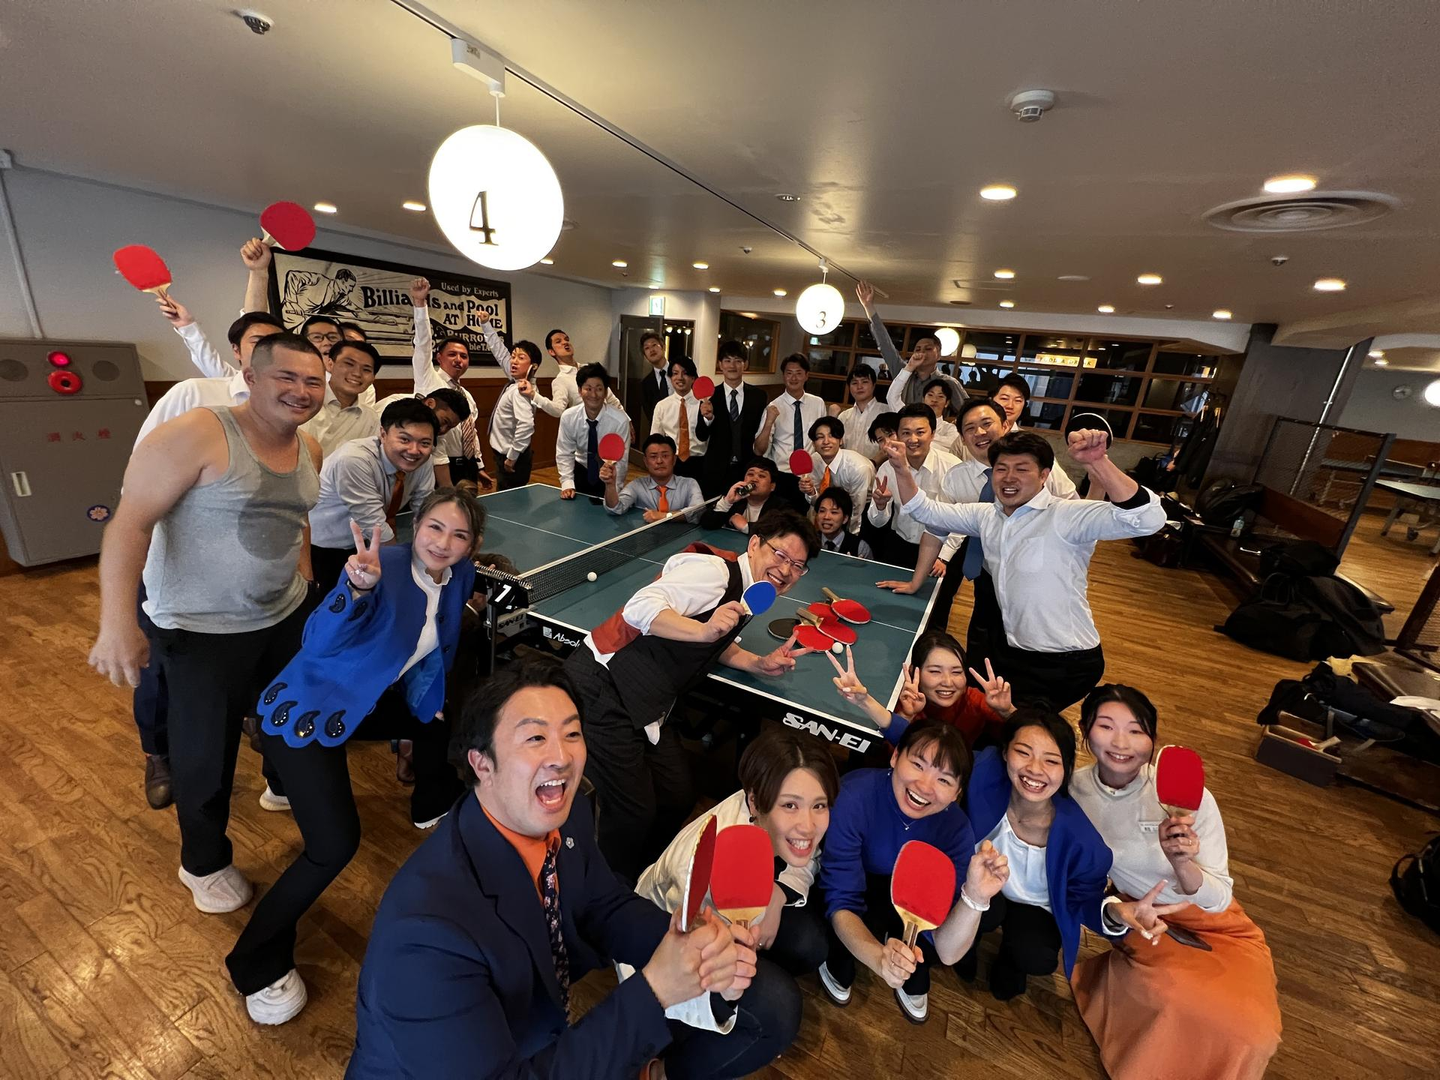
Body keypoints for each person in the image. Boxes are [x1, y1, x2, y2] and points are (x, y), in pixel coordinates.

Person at [348, 660, 797, 1080]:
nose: (561, 756)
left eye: (572, 733)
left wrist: (688, 940)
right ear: (481, 763)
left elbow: (602, 903)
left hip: (537, 1033)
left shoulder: (566, 814)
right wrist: (656, 989)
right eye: (535, 738)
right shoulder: (426, 938)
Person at [88, 333, 325, 917]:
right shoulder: (196, 433)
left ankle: (280, 785)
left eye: (312, 381)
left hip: (282, 615)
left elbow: (296, 520)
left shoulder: (310, 447)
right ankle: (203, 862)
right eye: (287, 377)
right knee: (205, 757)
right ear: (251, 376)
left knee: (288, 720)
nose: (301, 391)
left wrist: (305, 579)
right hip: (200, 629)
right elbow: (129, 524)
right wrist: (117, 623)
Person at [231, 490, 481, 1024]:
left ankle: (427, 803)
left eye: (459, 535)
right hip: (306, 711)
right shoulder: (380, 567)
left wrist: (427, 699)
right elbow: (316, 640)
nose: (444, 543)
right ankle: (254, 961)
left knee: (437, 719)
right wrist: (355, 588)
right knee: (334, 846)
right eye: (435, 528)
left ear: (471, 545)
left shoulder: (459, 575)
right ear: (417, 525)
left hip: (360, 701)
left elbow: (439, 644)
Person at [566, 508, 821, 880]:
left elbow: (718, 637)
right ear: (754, 544)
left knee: (678, 796)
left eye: (797, 565)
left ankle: (644, 873)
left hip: (651, 701)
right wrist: (703, 632)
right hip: (605, 684)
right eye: (780, 554)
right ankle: (603, 888)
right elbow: (640, 608)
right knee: (632, 813)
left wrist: (757, 663)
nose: (786, 569)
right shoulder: (714, 573)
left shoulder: (752, 591)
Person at [1070, 685, 1282, 1080]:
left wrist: (1183, 863)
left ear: (1153, 740)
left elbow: (1219, 899)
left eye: (1136, 731)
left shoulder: (1190, 797)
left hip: (1219, 925)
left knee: (1256, 1035)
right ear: (1084, 730)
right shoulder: (1074, 791)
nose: (1121, 743)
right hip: (1142, 916)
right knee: (1173, 999)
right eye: (1106, 726)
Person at [887, 428, 1165, 709]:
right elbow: (925, 510)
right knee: (996, 717)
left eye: (1022, 469)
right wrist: (901, 468)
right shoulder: (987, 515)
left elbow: (1148, 519)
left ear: (1044, 475)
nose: (1009, 477)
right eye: (1001, 469)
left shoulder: (1067, 515)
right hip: (1013, 648)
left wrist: (1097, 461)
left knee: (1020, 724)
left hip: (1064, 660)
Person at [131, 302, 284, 808]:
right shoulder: (194, 394)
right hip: (178, 574)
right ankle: (158, 753)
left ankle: (245, 719)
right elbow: (140, 477)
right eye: (256, 343)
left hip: (247, 579)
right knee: (163, 669)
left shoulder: (284, 412)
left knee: (243, 660)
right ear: (237, 352)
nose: (267, 354)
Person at [816, 720, 1009, 1023]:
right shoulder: (854, 796)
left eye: (944, 780)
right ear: (895, 757)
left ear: (957, 792)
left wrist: (975, 897)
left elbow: (948, 951)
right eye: (918, 765)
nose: (925, 786)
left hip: (915, 896)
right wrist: (878, 958)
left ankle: (907, 956)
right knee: (841, 955)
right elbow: (841, 899)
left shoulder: (957, 831)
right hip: (863, 880)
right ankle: (841, 958)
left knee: (923, 959)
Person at [634, 726, 840, 978]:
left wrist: (778, 893)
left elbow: (809, 856)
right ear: (754, 801)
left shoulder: (778, 818)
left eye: (819, 805)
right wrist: (730, 953)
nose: (807, 826)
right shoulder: (700, 864)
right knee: (779, 997)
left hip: (738, 916)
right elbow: (679, 942)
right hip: (668, 938)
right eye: (790, 805)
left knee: (810, 944)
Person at [878, 398, 1078, 641]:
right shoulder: (957, 478)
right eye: (970, 428)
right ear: (962, 438)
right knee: (982, 636)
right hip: (987, 571)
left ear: (1005, 425)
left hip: (1038, 576)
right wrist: (915, 582)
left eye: (986, 424)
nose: (980, 433)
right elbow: (935, 526)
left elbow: (1076, 517)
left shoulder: (1040, 467)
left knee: (1031, 639)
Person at [954, 708, 1112, 999]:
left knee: (1036, 957)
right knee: (979, 914)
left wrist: (1115, 913)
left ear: (1066, 768)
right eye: (1023, 752)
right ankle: (968, 945)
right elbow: (940, 757)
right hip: (984, 887)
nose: (1035, 769)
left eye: (1051, 760)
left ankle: (1011, 961)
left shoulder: (1085, 843)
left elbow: (1085, 902)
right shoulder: (985, 772)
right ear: (1005, 753)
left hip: (1036, 907)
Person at [307, 398, 439, 589]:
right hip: (327, 545)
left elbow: (425, 509)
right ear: (383, 434)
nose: (414, 450)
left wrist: (436, 553)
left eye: (425, 443)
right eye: (404, 439)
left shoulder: (423, 460)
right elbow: (375, 525)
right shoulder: (354, 460)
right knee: (338, 600)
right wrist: (408, 572)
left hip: (368, 542)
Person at [829, 631, 1015, 752]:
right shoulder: (901, 704)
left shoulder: (975, 700)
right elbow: (885, 758)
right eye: (935, 671)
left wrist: (1007, 711)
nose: (948, 682)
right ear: (913, 672)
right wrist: (906, 716)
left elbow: (1026, 734)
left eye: (957, 672)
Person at [408, 277, 490, 487]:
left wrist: (479, 466)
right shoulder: (428, 379)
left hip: (468, 465)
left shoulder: (466, 396)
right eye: (452, 354)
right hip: (437, 463)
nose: (458, 360)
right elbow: (423, 343)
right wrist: (420, 304)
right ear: (439, 357)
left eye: (464, 356)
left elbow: (472, 432)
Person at [865, 402, 960, 571]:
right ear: (899, 435)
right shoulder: (887, 469)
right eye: (906, 433)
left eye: (920, 432)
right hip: (900, 544)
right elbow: (878, 523)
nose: (913, 439)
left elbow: (961, 518)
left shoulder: (952, 467)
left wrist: (943, 556)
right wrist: (880, 506)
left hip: (941, 551)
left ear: (932, 434)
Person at [855, 281, 966, 411]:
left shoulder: (948, 382)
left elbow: (967, 411)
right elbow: (885, 345)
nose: (922, 352)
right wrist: (868, 306)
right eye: (918, 349)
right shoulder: (903, 372)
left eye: (928, 348)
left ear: (939, 354)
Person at [696, 339, 766, 497]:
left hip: (747, 470)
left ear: (745, 364)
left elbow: (760, 433)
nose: (732, 365)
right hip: (716, 471)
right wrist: (708, 418)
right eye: (727, 360)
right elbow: (701, 435)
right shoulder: (709, 396)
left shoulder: (758, 396)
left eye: (737, 361)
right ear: (720, 365)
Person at [753, 354, 827, 498]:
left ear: (806, 376)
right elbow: (759, 450)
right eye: (789, 373)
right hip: (782, 474)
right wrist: (769, 422)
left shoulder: (818, 403)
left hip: (810, 474)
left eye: (798, 373)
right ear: (783, 376)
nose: (793, 378)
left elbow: (822, 439)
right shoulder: (773, 406)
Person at [556, 363, 631, 500]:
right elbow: (564, 452)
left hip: (609, 473)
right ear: (580, 391)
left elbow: (622, 461)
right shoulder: (568, 417)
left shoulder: (620, 421)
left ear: (606, 392)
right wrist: (567, 483)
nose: (594, 394)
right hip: (580, 469)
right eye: (588, 389)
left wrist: (614, 490)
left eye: (599, 389)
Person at [299, 339, 381, 457]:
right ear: (330, 364)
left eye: (366, 370)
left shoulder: (371, 419)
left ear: (373, 378)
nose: (357, 373)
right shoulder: (304, 401)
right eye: (349, 364)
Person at [798, 416, 874, 533]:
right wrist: (811, 492)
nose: (826, 441)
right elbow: (817, 503)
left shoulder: (858, 468)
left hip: (866, 512)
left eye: (832, 436)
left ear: (841, 440)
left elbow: (857, 509)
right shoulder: (814, 461)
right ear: (813, 443)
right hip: (832, 512)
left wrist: (850, 538)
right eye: (820, 437)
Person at [530, 327, 625, 417]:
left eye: (566, 339)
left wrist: (626, 420)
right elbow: (558, 410)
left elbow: (612, 399)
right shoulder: (560, 380)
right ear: (552, 352)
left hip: (611, 421)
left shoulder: (589, 369)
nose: (565, 342)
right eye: (558, 341)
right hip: (585, 425)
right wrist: (534, 395)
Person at [605, 434, 704, 520]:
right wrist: (610, 485)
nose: (659, 461)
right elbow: (616, 509)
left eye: (665, 456)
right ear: (645, 461)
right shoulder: (636, 485)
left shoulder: (689, 484)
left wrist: (665, 516)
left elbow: (699, 510)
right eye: (653, 457)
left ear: (674, 459)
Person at [488, 338, 542, 489]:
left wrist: (512, 457)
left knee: (510, 500)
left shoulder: (521, 390)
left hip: (512, 458)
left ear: (534, 366)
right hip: (508, 454)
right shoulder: (516, 383)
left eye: (521, 358)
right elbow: (499, 353)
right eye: (513, 357)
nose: (514, 361)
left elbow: (526, 425)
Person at [651, 356, 708, 481]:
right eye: (675, 373)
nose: (680, 378)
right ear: (670, 378)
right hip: (671, 462)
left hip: (699, 462)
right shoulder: (662, 406)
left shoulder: (703, 405)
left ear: (693, 378)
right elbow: (655, 439)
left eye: (685, 373)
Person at [699, 457, 785, 534]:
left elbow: (780, 531)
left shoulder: (781, 507)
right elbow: (707, 524)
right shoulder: (736, 500)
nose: (754, 479)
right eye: (750, 474)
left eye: (761, 476)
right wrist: (727, 502)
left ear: (772, 486)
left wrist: (746, 527)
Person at [835, 363, 888, 463]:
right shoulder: (843, 417)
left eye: (864, 382)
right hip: (847, 470)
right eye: (854, 383)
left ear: (874, 385)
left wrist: (871, 465)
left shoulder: (886, 412)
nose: (859, 386)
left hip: (878, 470)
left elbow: (889, 446)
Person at [812, 488, 873, 558]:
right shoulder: (808, 541)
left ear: (845, 519)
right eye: (822, 511)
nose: (826, 517)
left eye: (834, 512)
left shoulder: (860, 548)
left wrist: (856, 565)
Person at [638, 329, 671, 432]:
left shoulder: (680, 372)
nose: (651, 350)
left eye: (654, 345)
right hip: (660, 432)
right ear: (645, 355)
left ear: (663, 347)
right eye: (647, 348)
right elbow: (650, 415)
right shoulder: (645, 384)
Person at [922, 377, 963, 455]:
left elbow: (953, 444)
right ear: (924, 399)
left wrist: (923, 437)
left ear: (947, 403)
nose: (934, 400)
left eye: (940, 396)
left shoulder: (950, 428)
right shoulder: (912, 423)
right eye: (930, 395)